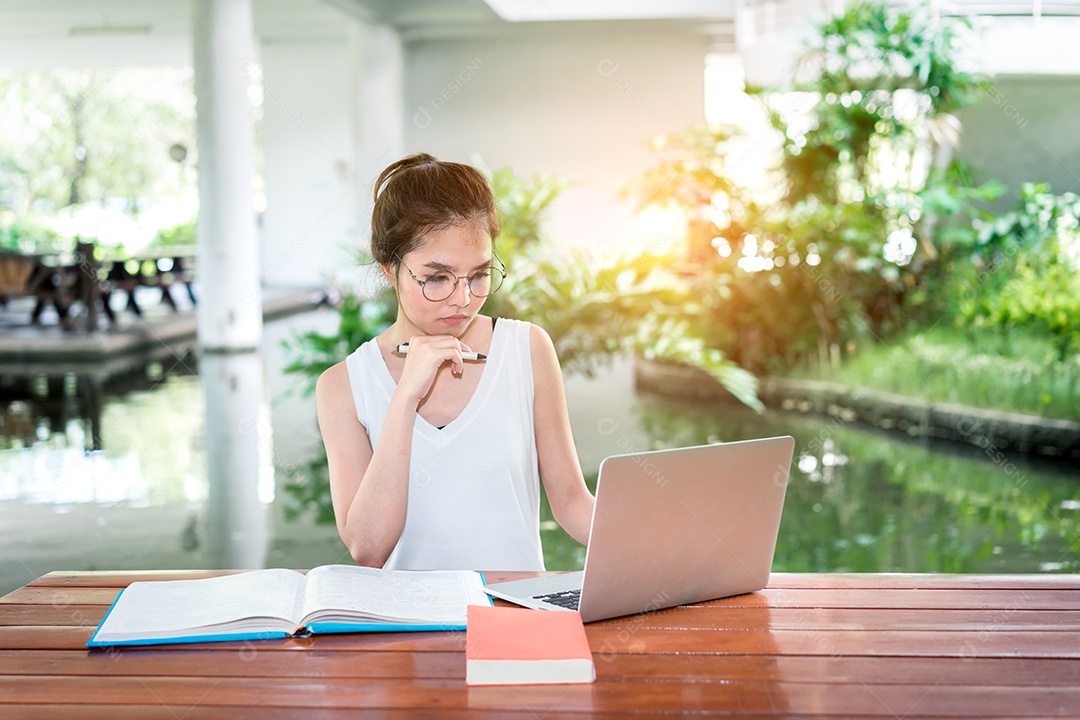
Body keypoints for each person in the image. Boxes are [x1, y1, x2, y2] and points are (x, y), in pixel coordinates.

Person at [316, 153, 595, 571]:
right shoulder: (343, 386)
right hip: (406, 627)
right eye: (436, 278)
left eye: (479, 275)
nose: (462, 299)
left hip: (513, 617)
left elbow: (573, 502)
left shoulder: (527, 349)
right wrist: (406, 396)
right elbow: (367, 548)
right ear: (389, 269)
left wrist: (663, 549)